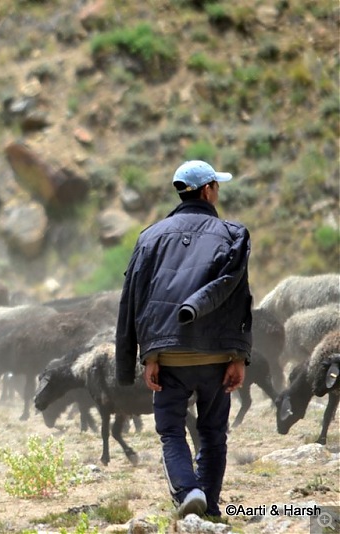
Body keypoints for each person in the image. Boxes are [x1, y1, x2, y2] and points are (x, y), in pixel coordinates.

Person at [115, 160, 252, 519]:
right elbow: (239, 300)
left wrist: (147, 357)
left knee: (172, 431)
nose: (218, 193)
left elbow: (135, 300)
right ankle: (208, 504)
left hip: (169, 356)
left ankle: (189, 492)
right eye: (216, 187)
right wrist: (239, 355)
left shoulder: (150, 236)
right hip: (216, 356)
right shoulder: (231, 235)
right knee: (212, 434)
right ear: (207, 190)